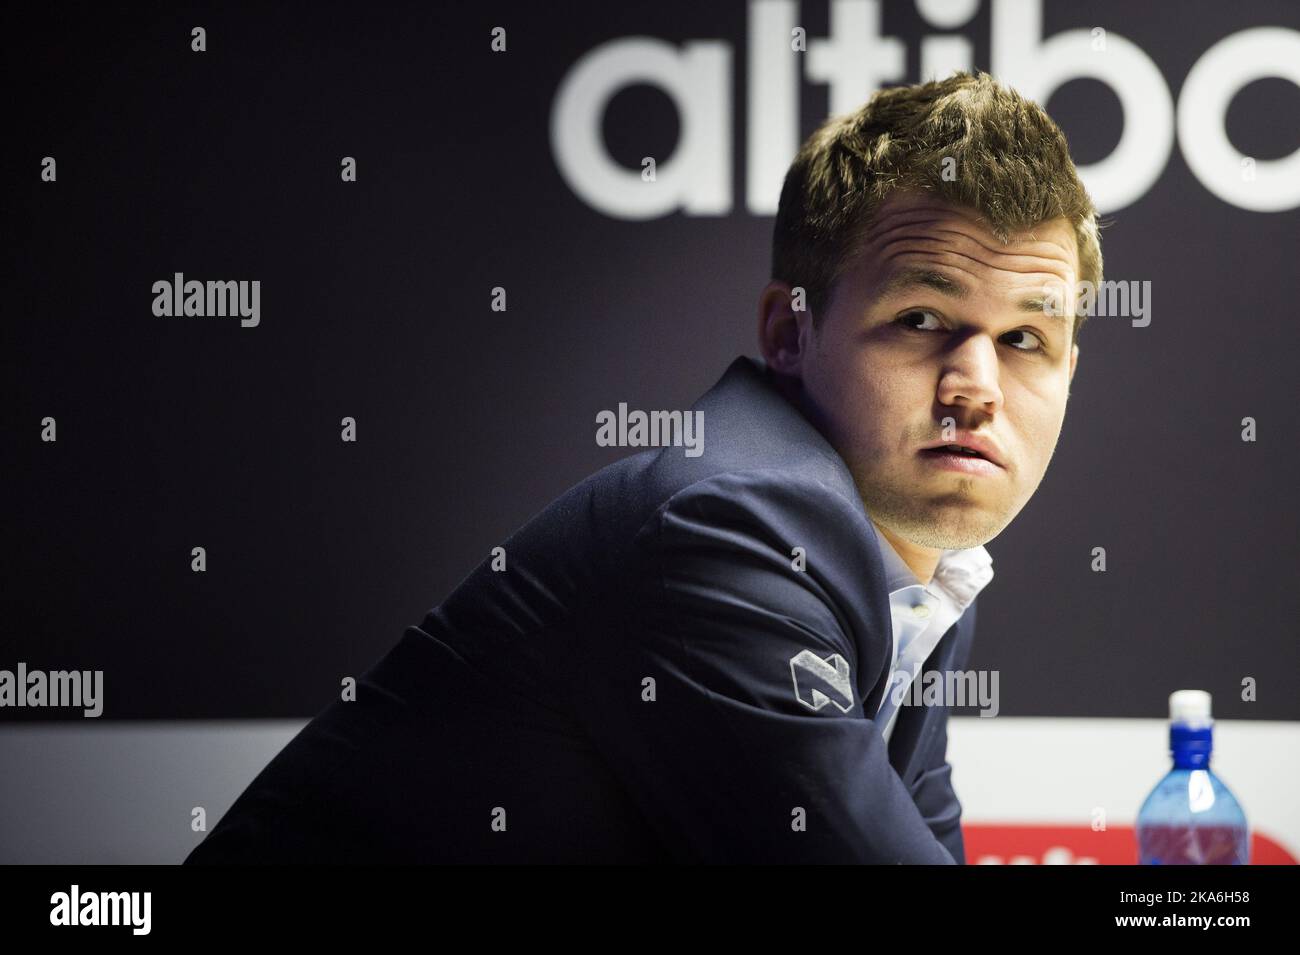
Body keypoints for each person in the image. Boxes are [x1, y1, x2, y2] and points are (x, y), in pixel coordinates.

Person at [185, 70, 1097, 864]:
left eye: (1026, 336)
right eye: (922, 320)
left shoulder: (915, 577)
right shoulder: (730, 529)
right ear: (791, 330)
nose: (976, 388)